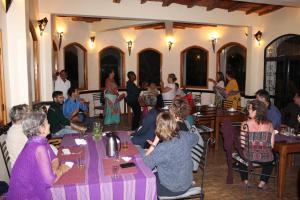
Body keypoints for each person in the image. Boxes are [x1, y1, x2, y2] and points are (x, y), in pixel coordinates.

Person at [7, 111, 70, 199]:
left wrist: (54, 170)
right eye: (47, 122)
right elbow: (50, 181)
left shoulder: (41, 141)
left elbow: (55, 159)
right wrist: (62, 170)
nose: (49, 125)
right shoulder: (38, 146)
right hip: (25, 195)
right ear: (41, 128)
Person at [144, 112, 198, 197]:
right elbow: (196, 138)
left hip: (172, 189)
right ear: (174, 124)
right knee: (157, 170)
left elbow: (145, 165)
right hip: (187, 182)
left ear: (158, 127)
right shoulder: (184, 135)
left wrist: (154, 143)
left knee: (145, 181)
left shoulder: (162, 148)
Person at [237, 100, 275, 189]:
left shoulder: (245, 124)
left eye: (249, 109)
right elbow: (272, 145)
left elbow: (242, 145)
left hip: (249, 157)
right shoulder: (270, 124)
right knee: (273, 158)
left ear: (256, 111)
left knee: (240, 154)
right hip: (266, 158)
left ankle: (245, 181)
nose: (248, 110)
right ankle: (262, 183)